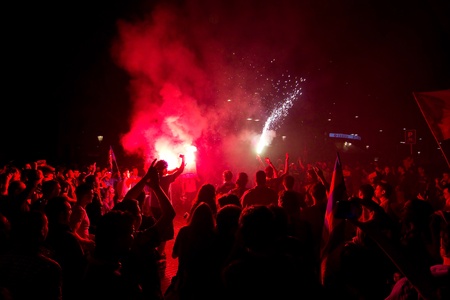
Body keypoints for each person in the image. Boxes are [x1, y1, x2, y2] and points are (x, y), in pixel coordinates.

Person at [151, 154, 185, 261]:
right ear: (165, 168)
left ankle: (157, 250)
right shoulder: (167, 178)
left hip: (154, 207)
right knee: (165, 232)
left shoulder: (153, 178)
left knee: (157, 228)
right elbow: (180, 170)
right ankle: (159, 255)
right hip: (164, 208)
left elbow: (165, 173)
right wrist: (183, 159)